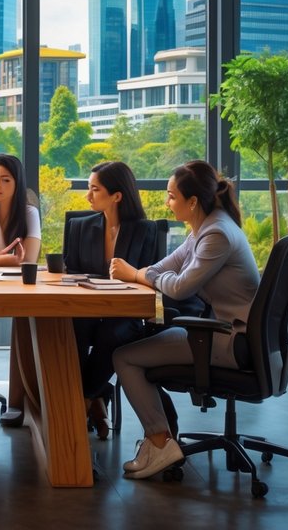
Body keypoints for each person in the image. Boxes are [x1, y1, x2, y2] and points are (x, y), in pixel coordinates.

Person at [109, 160, 260, 480]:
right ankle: (161, 439)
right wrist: (144, 273)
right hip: (230, 332)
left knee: (124, 357)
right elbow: (167, 266)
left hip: (230, 340)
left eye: (171, 196)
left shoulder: (216, 234)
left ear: (192, 202)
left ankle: (161, 442)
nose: (167, 202)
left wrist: (136, 274)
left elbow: (179, 287)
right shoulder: (206, 227)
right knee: (136, 349)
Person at [66, 160, 162, 440]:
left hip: (124, 316)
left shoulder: (146, 231)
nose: (88, 196)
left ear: (117, 196)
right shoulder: (79, 227)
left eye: (95, 189)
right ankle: (97, 393)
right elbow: (71, 274)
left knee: (112, 333)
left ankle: (81, 402)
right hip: (85, 311)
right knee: (72, 330)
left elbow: (151, 281)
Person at [0, 153, 41, 267]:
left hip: (20, 282)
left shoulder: (30, 213)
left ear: (18, 184)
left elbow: (29, 260)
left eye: (5, 180)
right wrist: (12, 259)